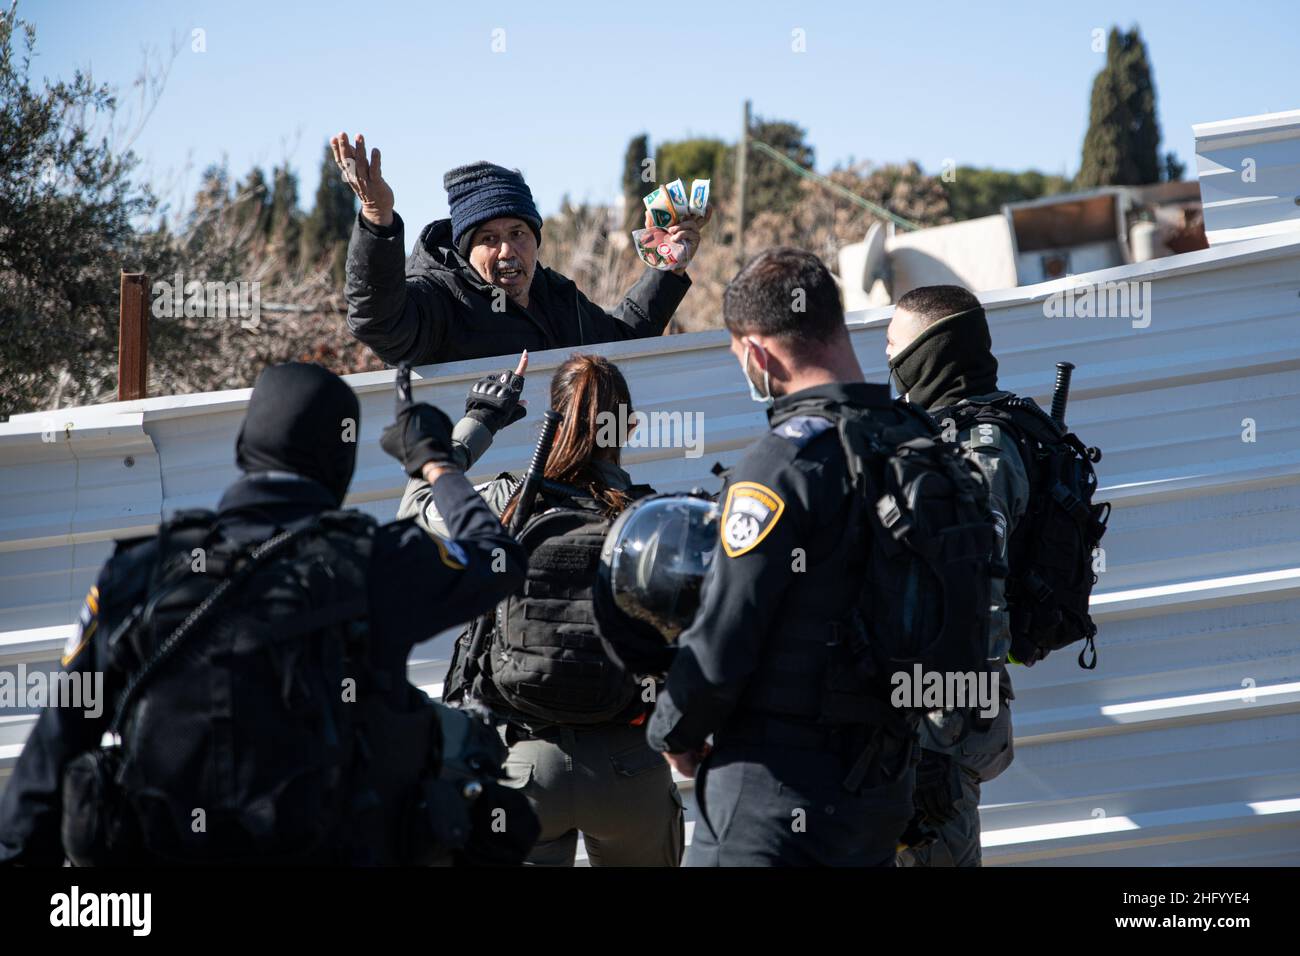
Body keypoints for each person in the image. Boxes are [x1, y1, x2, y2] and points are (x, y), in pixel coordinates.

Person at [0, 362, 531, 866]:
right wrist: (437, 460)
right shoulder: (374, 562)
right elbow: (498, 560)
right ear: (339, 462)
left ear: (242, 448)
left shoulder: (138, 571)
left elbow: (55, 747)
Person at [646, 248, 945, 867]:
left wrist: (673, 730)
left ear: (756, 355)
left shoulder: (782, 464)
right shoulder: (922, 445)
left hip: (773, 799)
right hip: (884, 789)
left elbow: (724, 633)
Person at [398, 352, 685, 867]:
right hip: (628, 767)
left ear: (549, 419)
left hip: (521, 768)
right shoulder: (650, 522)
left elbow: (418, 502)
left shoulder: (505, 504)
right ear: (630, 428)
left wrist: (480, 420)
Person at [330, 133, 709, 367]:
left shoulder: (557, 297)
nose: (507, 250)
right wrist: (378, 220)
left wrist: (667, 265)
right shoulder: (439, 300)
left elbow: (620, 344)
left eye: (518, 233)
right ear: (466, 249)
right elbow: (377, 321)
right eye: (489, 239)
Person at [885, 284, 1027, 867]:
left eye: (894, 346)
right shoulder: (944, 435)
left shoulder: (976, 451)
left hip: (945, 727)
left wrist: (941, 738)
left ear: (926, 351)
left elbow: (983, 602)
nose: (888, 361)